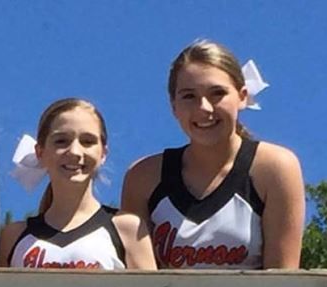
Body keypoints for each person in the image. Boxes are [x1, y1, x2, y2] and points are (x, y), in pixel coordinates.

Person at [121, 41, 304, 270]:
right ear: (173, 106)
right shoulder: (144, 177)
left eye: (217, 93)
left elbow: (284, 286)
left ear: (242, 96)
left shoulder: (275, 168)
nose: (204, 108)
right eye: (189, 96)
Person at [0, 98, 157, 271]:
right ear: (40, 152)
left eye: (87, 141)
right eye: (61, 141)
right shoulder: (13, 237)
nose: (74, 151)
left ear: (103, 153)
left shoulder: (127, 229)